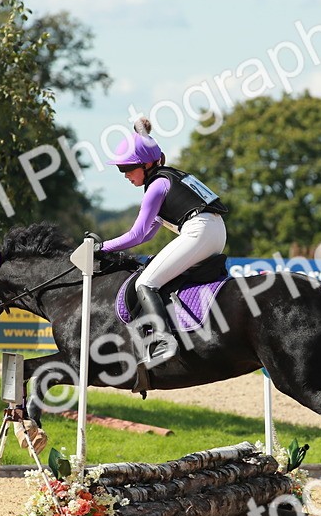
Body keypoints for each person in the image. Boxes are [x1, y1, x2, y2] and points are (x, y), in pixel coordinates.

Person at [90, 117, 229, 365]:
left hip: (199, 231)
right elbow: (150, 233)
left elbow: (137, 235)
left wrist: (100, 247)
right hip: (215, 230)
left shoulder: (156, 186)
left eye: (127, 169)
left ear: (146, 165)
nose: (124, 175)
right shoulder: (169, 178)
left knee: (145, 283)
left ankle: (163, 340)